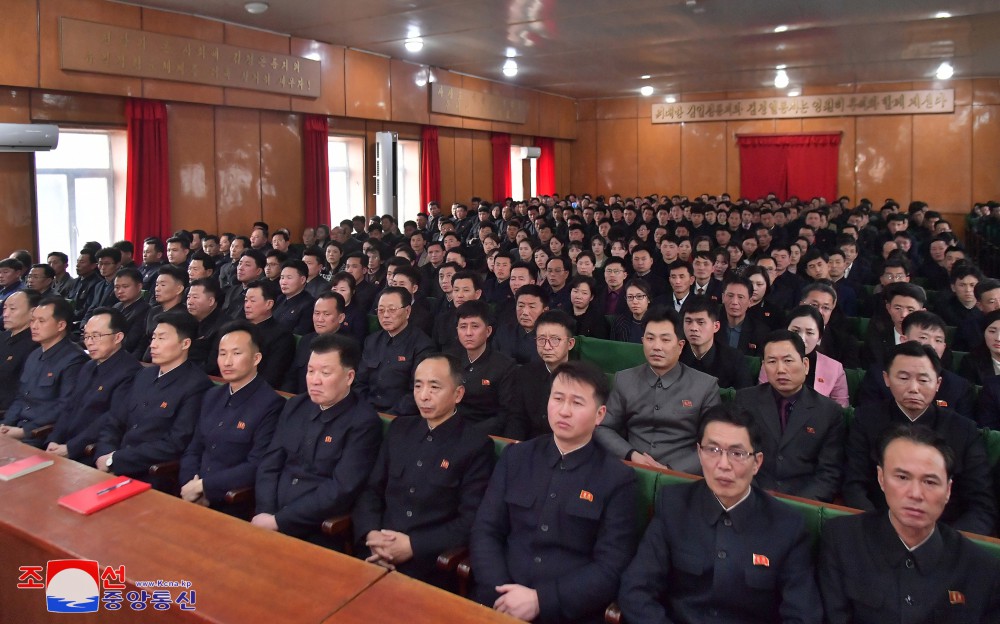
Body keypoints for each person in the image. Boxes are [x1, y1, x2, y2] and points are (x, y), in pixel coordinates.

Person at [618, 405, 823, 624]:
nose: (723, 465)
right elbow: (636, 591)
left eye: (737, 454)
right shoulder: (673, 504)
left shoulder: (787, 525)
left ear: (757, 463)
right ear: (699, 452)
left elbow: (803, 615)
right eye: (713, 450)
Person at [471, 360, 637, 623]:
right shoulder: (516, 457)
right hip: (498, 601)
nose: (564, 411)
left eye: (577, 403)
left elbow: (611, 567)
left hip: (567, 612)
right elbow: (486, 530)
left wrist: (541, 601)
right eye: (557, 398)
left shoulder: (618, 479)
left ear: (600, 414)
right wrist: (500, 592)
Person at [820, 425, 1000, 623]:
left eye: (930, 482)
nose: (915, 494)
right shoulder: (842, 539)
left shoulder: (982, 568)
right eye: (902, 477)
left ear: (948, 490)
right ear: (881, 478)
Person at [352, 353, 494, 584]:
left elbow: (470, 520)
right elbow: (371, 491)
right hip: (375, 552)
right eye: (418, 386)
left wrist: (413, 546)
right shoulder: (400, 429)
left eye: (434, 387)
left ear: (458, 394)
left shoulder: (475, 445)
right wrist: (372, 535)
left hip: (428, 564)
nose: (424, 395)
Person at [843, 342, 996, 536]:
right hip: (878, 528)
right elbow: (854, 485)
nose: (913, 388)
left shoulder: (963, 430)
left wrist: (946, 543)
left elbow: (981, 504)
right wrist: (879, 531)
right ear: (886, 379)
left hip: (945, 535)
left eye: (923, 380)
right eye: (904, 377)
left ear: (938, 383)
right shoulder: (866, 419)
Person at [252, 333, 381, 548]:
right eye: (311, 371)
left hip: (317, 528)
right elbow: (270, 463)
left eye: (325, 372)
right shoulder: (295, 406)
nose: (315, 380)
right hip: (268, 516)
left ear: (349, 377)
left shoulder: (363, 422)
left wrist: (279, 521)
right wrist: (266, 511)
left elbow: (341, 489)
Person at [93, 311, 213, 492]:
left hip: (150, 474)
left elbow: (175, 444)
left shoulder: (196, 385)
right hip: (112, 466)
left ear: (185, 343)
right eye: (154, 338)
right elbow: (115, 420)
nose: (153, 345)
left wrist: (116, 460)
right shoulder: (144, 374)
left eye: (162, 338)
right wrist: (104, 454)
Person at [596, 306, 721, 473]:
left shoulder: (705, 385)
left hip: (681, 476)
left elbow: (714, 444)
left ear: (680, 345)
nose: (656, 346)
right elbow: (603, 427)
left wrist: (671, 470)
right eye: (650, 338)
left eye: (665, 340)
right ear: (642, 341)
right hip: (631, 469)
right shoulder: (624, 379)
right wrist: (631, 455)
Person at [179, 321, 283, 518]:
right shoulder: (211, 396)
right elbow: (194, 448)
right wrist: (189, 486)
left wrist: (205, 487)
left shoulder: (271, 404)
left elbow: (256, 464)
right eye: (222, 353)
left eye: (236, 353)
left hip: (232, 501)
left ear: (256, 358)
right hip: (191, 495)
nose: (227, 362)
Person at [737, 330, 845, 502]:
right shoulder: (745, 400)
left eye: (788, 360)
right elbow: (737, 454)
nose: (780, 369)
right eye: (772, 362)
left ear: (806, 365)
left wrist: (797, 506)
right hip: (751, 497)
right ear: (764, 366)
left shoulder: (829, 412)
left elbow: (829, 473)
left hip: (803, 504)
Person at [44, 308, 141, 465]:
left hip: (90, 451)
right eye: (87, 336)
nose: (89, 342)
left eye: (96, 336)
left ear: (118, 337)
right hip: (64, 445)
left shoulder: (130, 371)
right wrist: (54, 439)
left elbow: (111, 419)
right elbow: (69, 406)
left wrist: (71, 448)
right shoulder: (88, 366)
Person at [0, 296, 88, 447]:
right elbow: (21, 397)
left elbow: (65, 406)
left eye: (41, 321)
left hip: (42, 434)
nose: (34, 326)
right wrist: (6, 424)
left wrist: (24, 431)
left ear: (60, 325)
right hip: (17, 427)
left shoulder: (74, 359)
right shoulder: (35, 354)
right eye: (33, 320)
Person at [858, 310, 976, 421]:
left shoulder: (959, 387)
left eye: (938, 340)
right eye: (923, 338)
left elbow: (961, 430)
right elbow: (869, 419)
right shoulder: (878, 376)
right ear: (904, 340)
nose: (931, 345)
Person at [355, 287, 434, 414]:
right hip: (367, 411)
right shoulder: (371, 341)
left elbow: (417, 391)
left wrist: (390, 416)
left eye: (392, 310)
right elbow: (360, 383)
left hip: (401, 416)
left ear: (407, 311)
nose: (385, 315)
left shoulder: (422, 345)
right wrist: (365, 410)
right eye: (381, 310)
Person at [504, 310, 577, 441]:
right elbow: (516, 418)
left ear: (570, 344)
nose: (547, 346)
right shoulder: (524, 374)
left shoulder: (583, 380)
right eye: (541, 339)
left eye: (555, 340)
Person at [758, 305, 850, 407]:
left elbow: (840, 409)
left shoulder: (835, 368)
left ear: (819, 338)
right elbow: (763, 401)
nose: (801, 338)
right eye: (795, 331)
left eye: (809, 333)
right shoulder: (772, 361)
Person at [453, 300, 517, 436]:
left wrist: (472, 433)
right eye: (463, 326)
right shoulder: (450, 360)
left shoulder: (504, 366)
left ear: (488, 331)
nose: (468, 333)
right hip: (450, 428)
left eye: (475, 326)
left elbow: (505, 413)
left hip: (484, 433)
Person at [679, 295, 753, 390]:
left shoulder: (734, 359)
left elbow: (745, 398)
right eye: (688, 321)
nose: (693, 328)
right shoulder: (675, 356)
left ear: (716, 326)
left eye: (700, 322)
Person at [283, 291, 348, 394]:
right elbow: (292, 376)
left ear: (341, 318)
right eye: (316, 313)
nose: (320, 319)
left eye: (326, 314)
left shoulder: (348, 346)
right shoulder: (306, 340)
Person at [243, 279, 296, 389]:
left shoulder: (282, 336)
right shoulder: (239, 329)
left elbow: (272, 376)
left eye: (252, 301)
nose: (247, 305)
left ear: (269, 304)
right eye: (246, 300)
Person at [0, 290, 39, 413]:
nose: (5, 314)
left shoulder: (35, 345)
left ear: (32, 312)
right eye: (4, 308)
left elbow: (22, 392)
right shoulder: (3, 337)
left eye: (12, 309)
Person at [494, 285, 549, 365]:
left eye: (532, 307)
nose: (525, 312)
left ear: (545, 310)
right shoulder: (504, 332)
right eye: (521, 306)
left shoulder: (549, 338)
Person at [718, 275, 768, 356]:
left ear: (750, 301)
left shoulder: (760, 332)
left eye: (740, 297)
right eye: (730, 296)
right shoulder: (711, 325)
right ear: (723, 297)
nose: (734, 302)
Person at [111, 267, 151, 358]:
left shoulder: (145, 310)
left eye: (125, 287)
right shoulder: (116, 307)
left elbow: (129, 344)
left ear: (139, 286)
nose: (120, 291)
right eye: (117, 287)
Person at [568, 275, 610, 339]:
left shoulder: (598, 319)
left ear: (591, 297)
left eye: (584, 293)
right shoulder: (561, 314)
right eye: (575, 291)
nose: (578, 296)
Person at [611, 279, 651, 344]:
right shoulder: (619, 322)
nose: (634, 301)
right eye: (630, 297)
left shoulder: (658, 323)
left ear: (648, 299)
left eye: (639, 296)